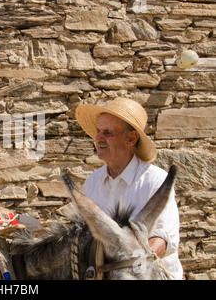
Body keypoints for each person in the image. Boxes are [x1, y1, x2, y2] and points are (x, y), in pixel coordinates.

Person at [75, 98, 183, 280]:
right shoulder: (93, 182)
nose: (98, 138)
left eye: (107, 133)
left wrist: (126, 267)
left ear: (131, 138)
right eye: (98, 131)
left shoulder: (156, 181)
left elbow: (162, 240)